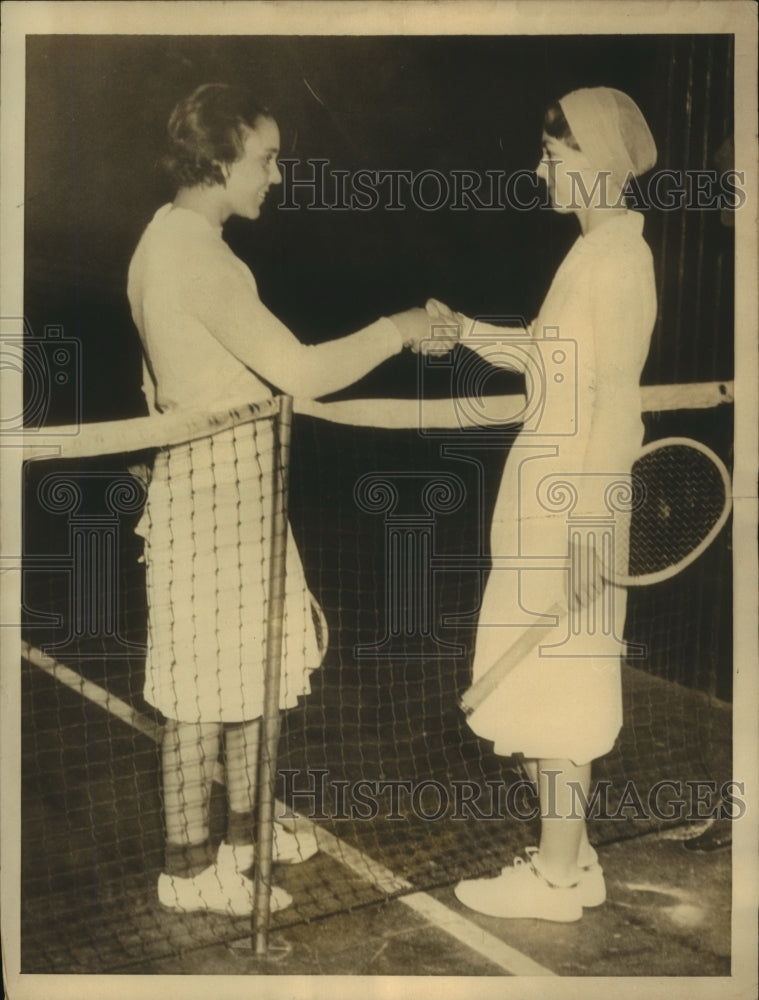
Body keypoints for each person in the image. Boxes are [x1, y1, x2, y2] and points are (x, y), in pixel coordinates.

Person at [128, 82, 442, 917]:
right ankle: (189, 872)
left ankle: (244, 838)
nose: (275, 174)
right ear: (220, 157)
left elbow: (155, 378)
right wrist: (401, 327)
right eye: (264, 158)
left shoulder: (165, 237)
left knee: (254, 677)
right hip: (210, 506)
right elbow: (299, 373)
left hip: (232, 500)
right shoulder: (195, 255)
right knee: (201, 698)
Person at [430, 87, 657, 922]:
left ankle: (556, 879)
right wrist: (466, 333)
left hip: (571, 513)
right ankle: (575, 857)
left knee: (559, 696)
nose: (538, 170)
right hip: (544, 504)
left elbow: (612, 406)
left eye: (553, 157)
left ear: (598, 163)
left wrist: (588, 533)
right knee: (528, 691)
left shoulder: (618, 260)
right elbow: (548, 357)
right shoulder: (593, 252)